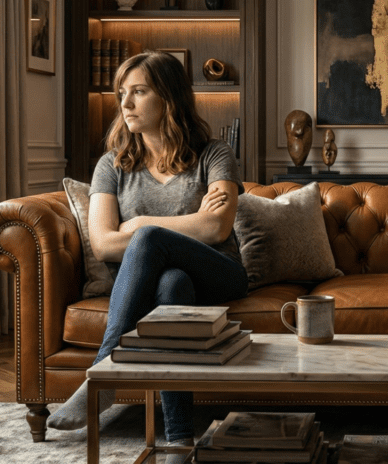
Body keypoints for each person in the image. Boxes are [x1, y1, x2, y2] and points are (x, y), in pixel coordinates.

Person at [46, 51, 248, 454]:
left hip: (221, 273)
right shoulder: (112, 165)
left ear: (169, 98)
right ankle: (178, 439)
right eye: (123, 93)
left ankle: (102, 374)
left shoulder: (214, 154)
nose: (125, 104)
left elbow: (218, 227)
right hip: (171, 284)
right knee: (173, 286)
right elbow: (103, 243)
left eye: (138, 91)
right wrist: (190, 224)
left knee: (148, 238)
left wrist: (139, 227)